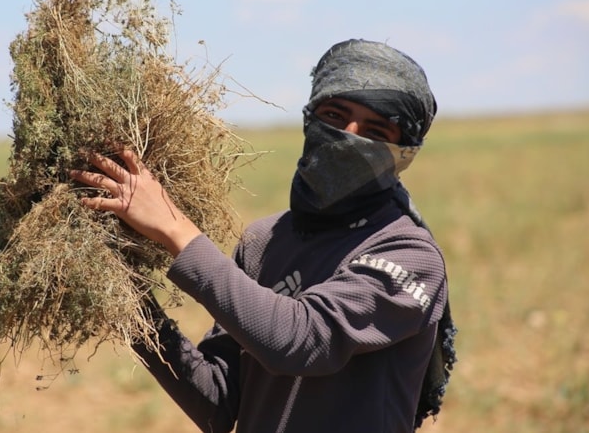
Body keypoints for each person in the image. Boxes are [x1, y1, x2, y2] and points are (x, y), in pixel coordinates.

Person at [70, 38, 457, 433]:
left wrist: (172, 225)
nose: (349, 136)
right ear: (310, 118)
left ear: (404, 152)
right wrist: (125, 296)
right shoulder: (265, 241)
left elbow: (301, 339)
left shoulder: (410, 256)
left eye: (375, 130)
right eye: (334, 116)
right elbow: (218, 402)